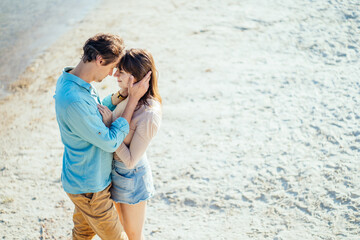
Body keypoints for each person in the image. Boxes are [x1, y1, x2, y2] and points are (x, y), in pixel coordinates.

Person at [54, 33, 151, 240]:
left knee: (82, 233)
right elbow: (110, 142)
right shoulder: (75, 100)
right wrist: (132, 101)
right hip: (90, 188)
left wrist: (121, 96)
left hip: (82, 180)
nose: (111, 74)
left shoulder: (72, 81)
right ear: (99, 60)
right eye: (111, 67)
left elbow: (95, 111)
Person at [98, 49, 162, 240]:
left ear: (136, 77)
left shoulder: (149, 114)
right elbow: (104, 105)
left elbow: (131, 161)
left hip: (131, 178)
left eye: (121, 72)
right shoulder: (127, 97)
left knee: (133, 235)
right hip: (113, 173)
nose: (114, 75)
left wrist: (110, 128)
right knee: (120, 232)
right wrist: (126, 94)